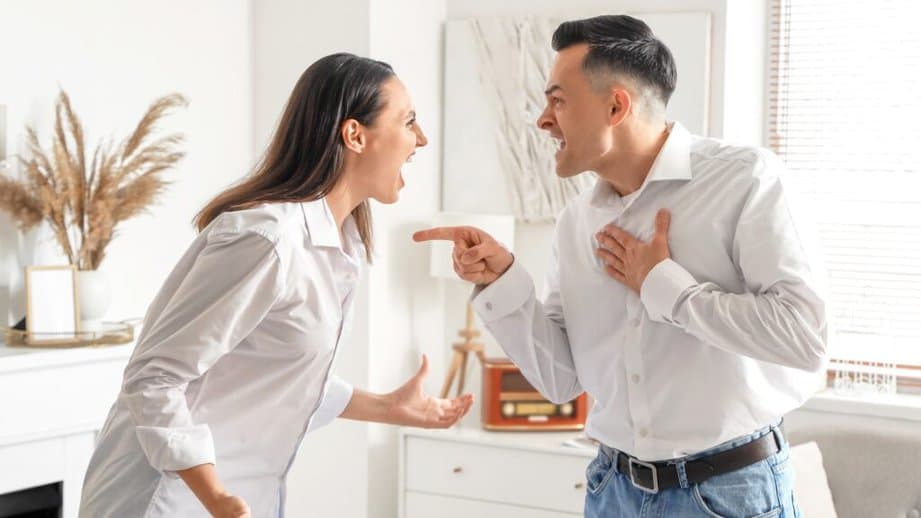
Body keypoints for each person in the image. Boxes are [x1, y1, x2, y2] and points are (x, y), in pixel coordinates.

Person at [414, 15, 825, 518]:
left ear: (615, 105)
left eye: (558, 100)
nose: (543, 119)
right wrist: (502, 280)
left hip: (729, 494)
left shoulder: (746, 182)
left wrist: (666, 287)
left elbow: (805, 339)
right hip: (613, 490)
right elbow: (562, 380)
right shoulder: (576, 221)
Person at [79, 53, 474, 518]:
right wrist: (215, 497)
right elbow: (154, 378)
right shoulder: (264, 238)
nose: (420, 139)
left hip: (240, 499)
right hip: (163, 502)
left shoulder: (338, 244)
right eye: (409, 121)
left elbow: (269, 370)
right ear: (355, 135)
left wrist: (387, 407)